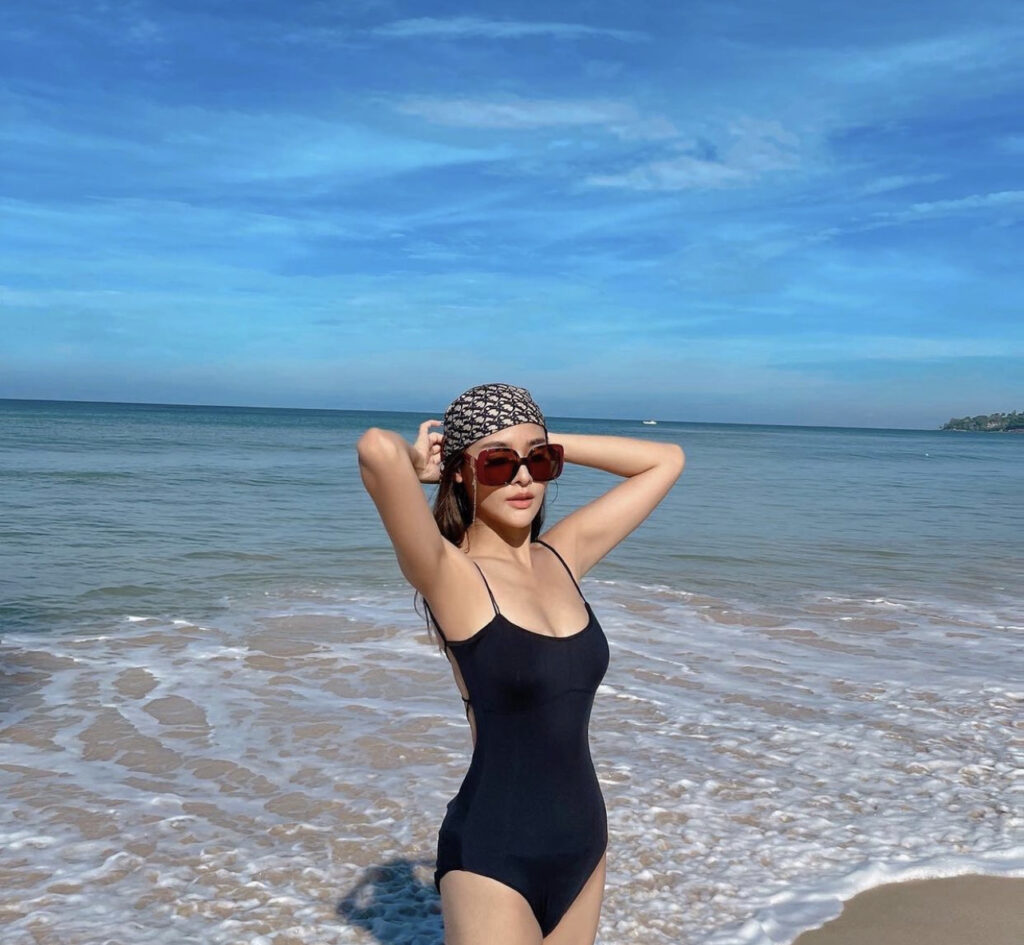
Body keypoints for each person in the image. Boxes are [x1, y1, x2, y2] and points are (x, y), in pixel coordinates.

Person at [356, 382, 684, 945]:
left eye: (540, 461)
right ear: (462, 471)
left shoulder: (562, 555)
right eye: (498, 463)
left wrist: (534, 440)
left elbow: (665, 460)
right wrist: (421, 462)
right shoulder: (450, 574)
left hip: (584, 844)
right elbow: (374, 449)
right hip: (494, 854)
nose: (523, 478)